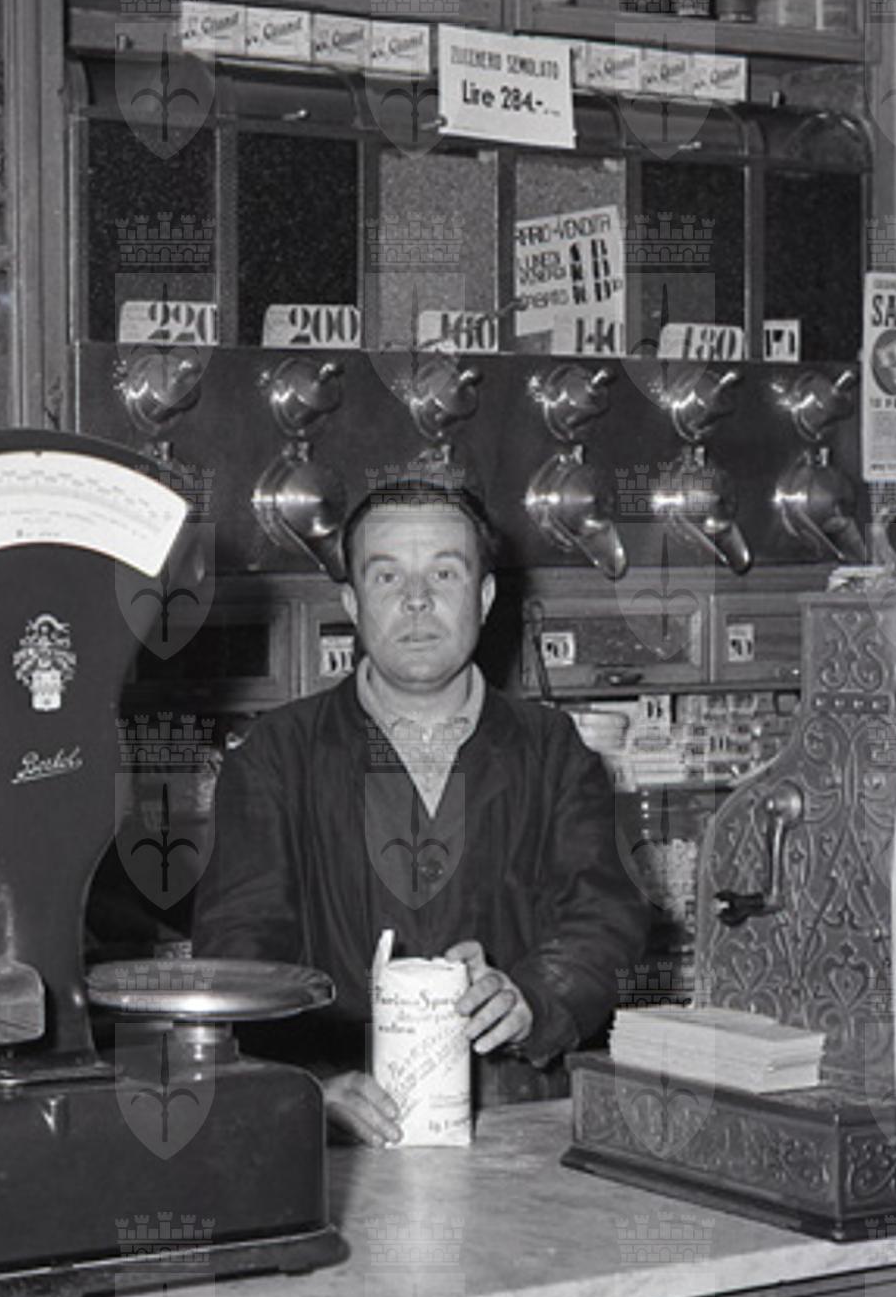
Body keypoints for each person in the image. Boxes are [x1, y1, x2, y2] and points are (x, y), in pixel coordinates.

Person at [189, 475, 650, 1145]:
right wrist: (306, 1088)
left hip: (514, 1117)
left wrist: (532, 997)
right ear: (352, 602)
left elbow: (606, 917)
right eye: (386, 577)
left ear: (484, 597)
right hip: (344, 1123)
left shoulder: (552, 750)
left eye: (444, 573)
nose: (415, 599)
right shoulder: (276, 757)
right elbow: (238, 955)